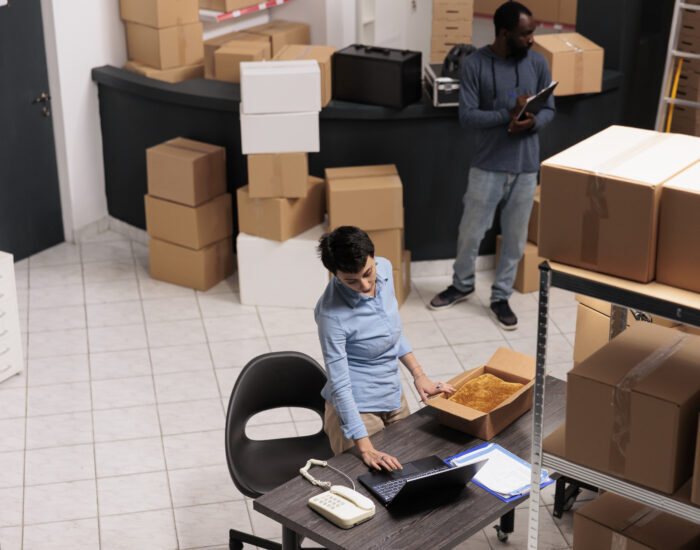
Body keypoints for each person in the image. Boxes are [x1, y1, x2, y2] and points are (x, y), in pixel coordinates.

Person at [430, 1, 555, 330]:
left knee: (515, 238)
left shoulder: (539, 62)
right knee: (471, 232)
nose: (531, 39)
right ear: (504, 33)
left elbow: (550, 108)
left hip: (527, 167)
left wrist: (532, 123)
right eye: (525, 34)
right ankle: (462, 284)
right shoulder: (475, 64)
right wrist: (509, 115)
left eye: (532, 33)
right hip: (487, 165)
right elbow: (467, 116)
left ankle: (501, 296)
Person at [315, 226, 455, 471]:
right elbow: (339, 383)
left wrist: (419, 375)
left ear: (373, 258)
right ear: (334, 275)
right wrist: (365, 447)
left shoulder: (386, 270)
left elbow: (391, 330)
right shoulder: (331, 315)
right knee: (373, 485)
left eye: (368, 273)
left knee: (415, 468)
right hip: (357, 409)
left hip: (392, 395)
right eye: (351, 281)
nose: (365, 284)